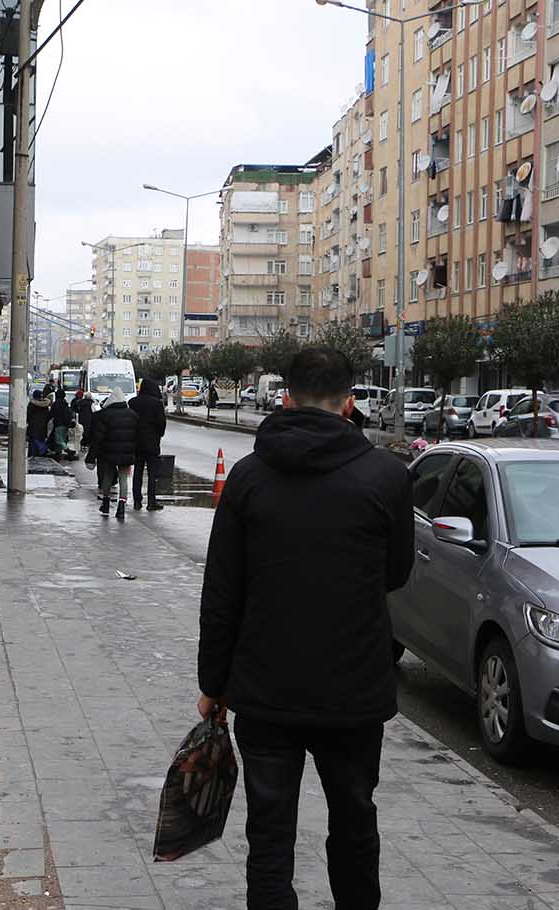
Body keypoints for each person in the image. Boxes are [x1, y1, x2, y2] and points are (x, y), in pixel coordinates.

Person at [196, 346, 414, 910]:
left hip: (265, 690)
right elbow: (397, 573)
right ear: (349, 403)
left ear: (285, 397)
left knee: (268, 837)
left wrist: (212, 684)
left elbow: (222, 591)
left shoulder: (247, 478)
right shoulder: (386, 476)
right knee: (355, 826)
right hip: (355, 692)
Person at [87, 389, 140, 520]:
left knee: (108, 476)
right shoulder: (133, 415)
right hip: (127, 453)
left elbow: (98, 437)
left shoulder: (105, 415)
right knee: (123, 478)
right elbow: (137, 436)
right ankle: (121, 506)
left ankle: (105, 504)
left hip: (108, 452)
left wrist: (91, 455)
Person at [129, 377, 167, 511]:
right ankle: (151, 501)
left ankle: (137, 501)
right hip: (152, 443)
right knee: (152, 473)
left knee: (137, 472)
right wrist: (159, 435)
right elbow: (161, 422)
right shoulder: (156, 403)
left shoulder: (132, 402)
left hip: (136, 443)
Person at [49, 388, 74, 457]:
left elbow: (51, 414)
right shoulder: (65, 403)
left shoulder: (56, 404)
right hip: (66, 424)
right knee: (62, 438)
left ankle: (67, 450)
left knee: (59, 439)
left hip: (59, 424)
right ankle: (58, 452)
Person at [27, 389, 52, 457]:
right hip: (43, 427)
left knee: (33, 442)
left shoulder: (32, 404)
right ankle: (41, 453)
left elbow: (28, 415)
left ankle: (40, 451)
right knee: (41, 440)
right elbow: (48, 416)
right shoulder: (45, 405)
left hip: (33, 426)